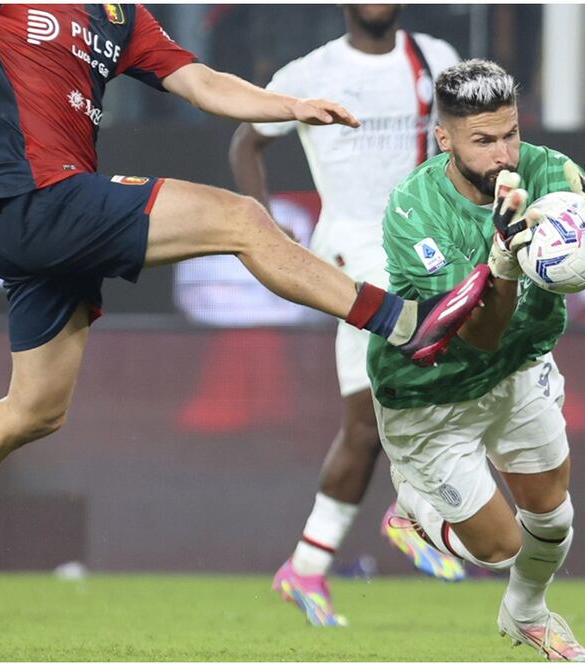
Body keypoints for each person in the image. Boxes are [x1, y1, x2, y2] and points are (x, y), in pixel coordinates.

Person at [0, 3, 493, 631]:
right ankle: (405, 322)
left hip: (53, 221)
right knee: (242, 220)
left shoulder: (121, 15)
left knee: (35, 409)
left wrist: (289, 106)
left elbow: (200, 82)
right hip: (34, 196)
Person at [368, 59, 585, 661]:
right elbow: (477, 337)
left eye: (510, 133)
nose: (503, 155)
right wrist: (505, 267)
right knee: (502, 547)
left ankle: (528, 615)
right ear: (445, 138)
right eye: (483, 141)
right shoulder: (414, 211)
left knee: (554, 519)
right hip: (430, 391)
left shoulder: (552, 172)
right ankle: (413, 506)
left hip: (516, 369)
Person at [229, 4, 466, 628]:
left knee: (365, 426)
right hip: (354, 261)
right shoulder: (312, 72)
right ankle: (410, 511)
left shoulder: (436, 60)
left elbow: (474, 143)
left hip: (427, 253)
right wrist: (267, 227)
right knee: (407, 393)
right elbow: (246, 140)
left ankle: (307, 567)